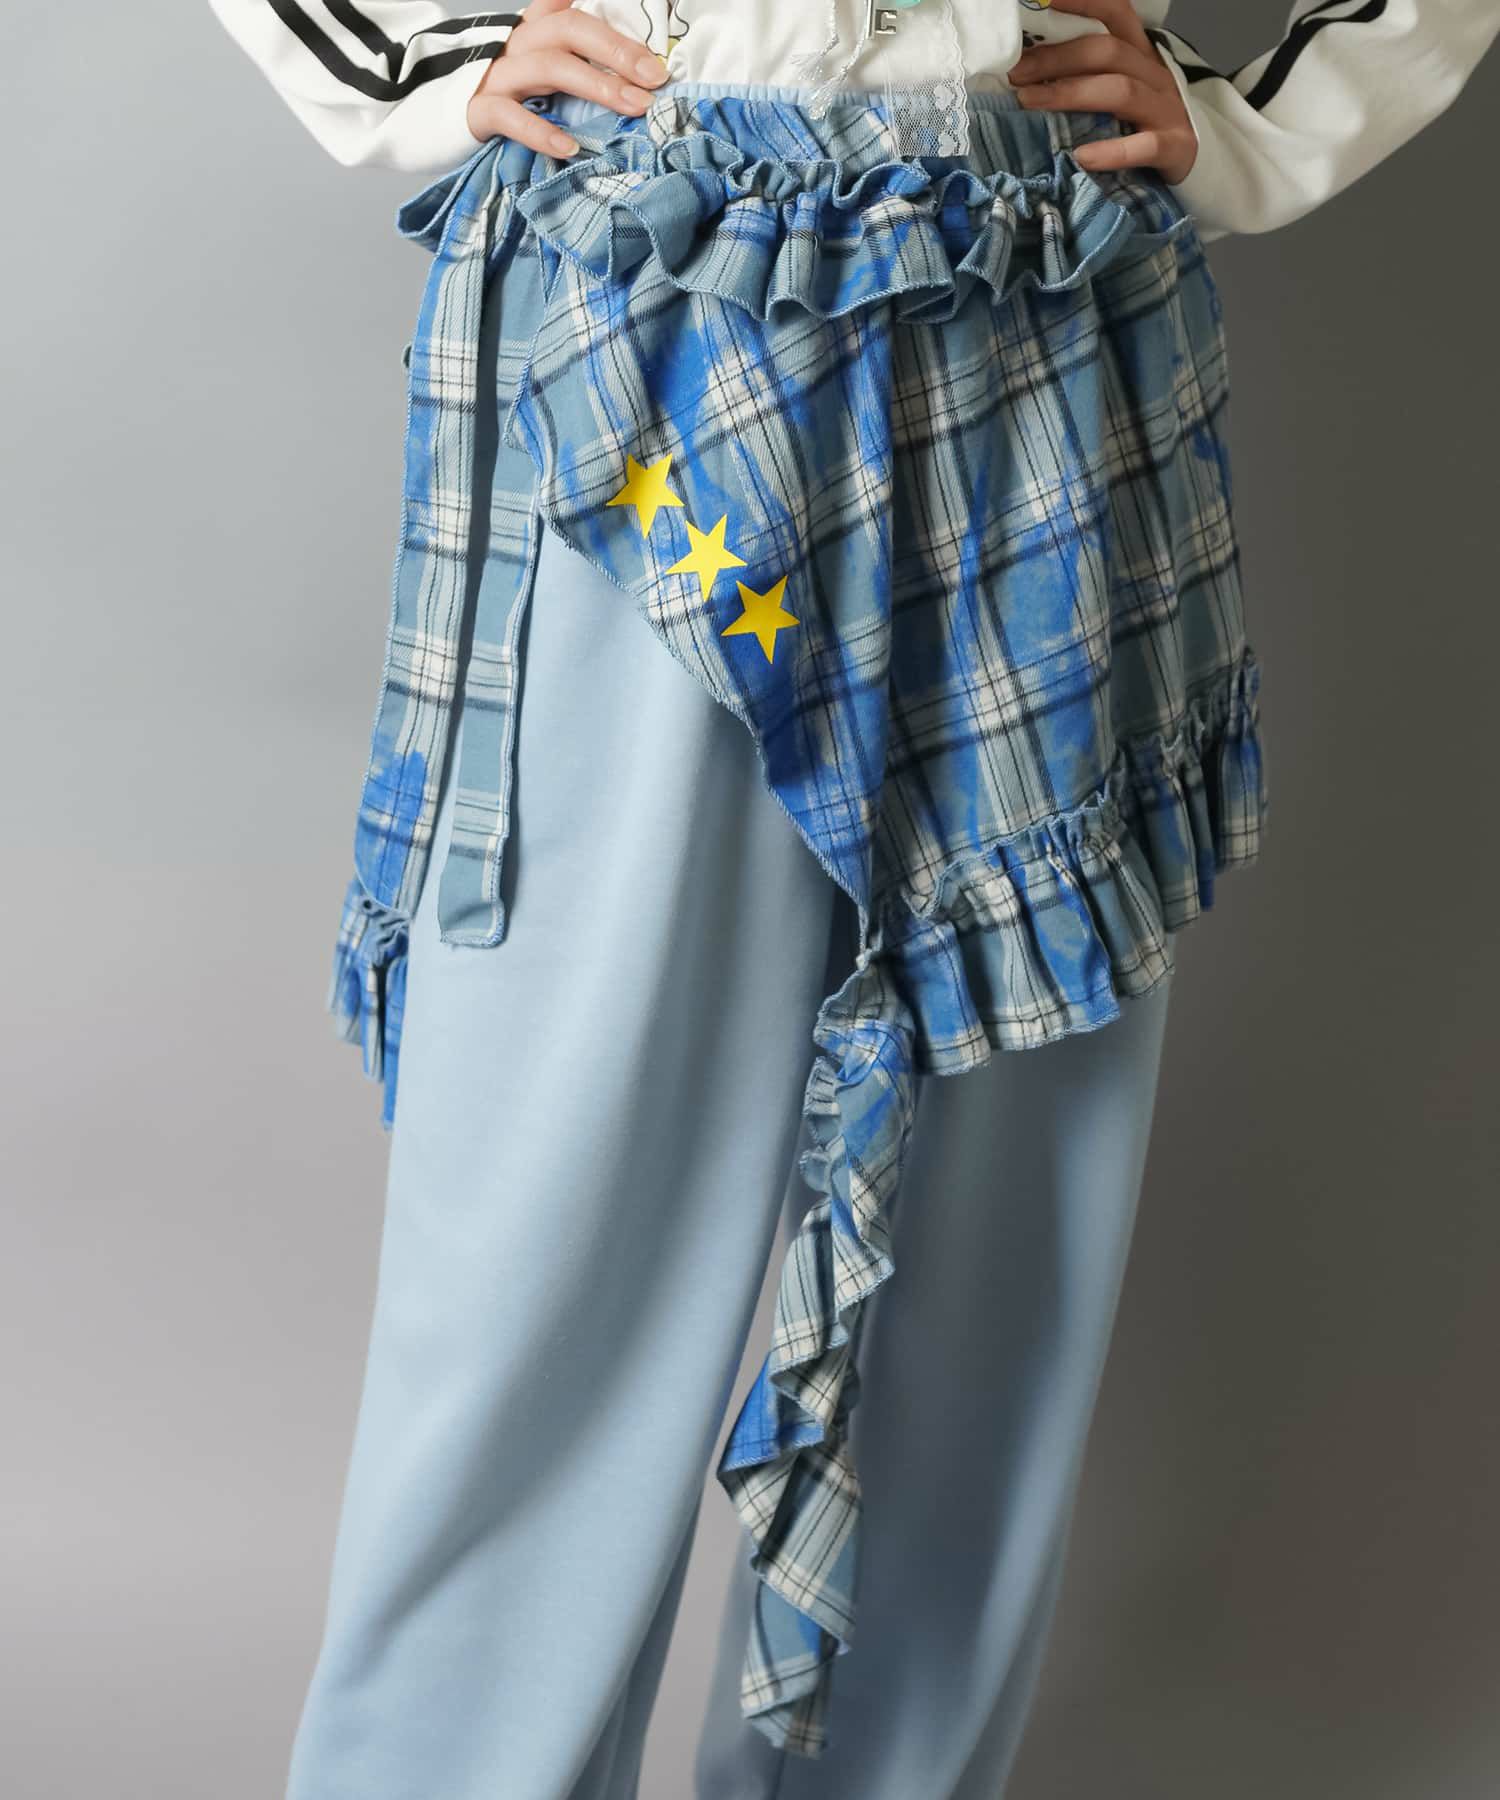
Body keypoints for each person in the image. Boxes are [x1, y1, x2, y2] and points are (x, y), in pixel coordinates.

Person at [207, 4, 1496, 1797]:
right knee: (550, 1245)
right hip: (654, 321)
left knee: (992, 1281)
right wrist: (413, 60)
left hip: (1034, 315)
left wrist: (1277, 112)